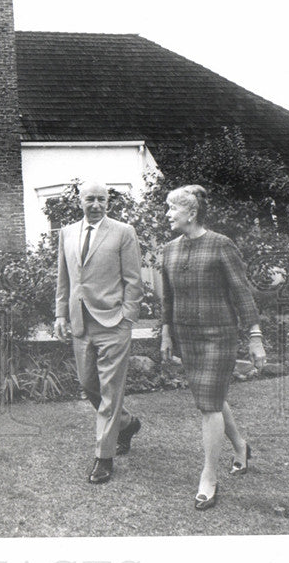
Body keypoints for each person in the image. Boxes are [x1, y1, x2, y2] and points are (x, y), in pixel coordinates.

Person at [158, 184, 266, 511]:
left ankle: (209, 476)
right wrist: (166, 334)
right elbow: (168, 298)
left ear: (190, 213)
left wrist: (255, 335)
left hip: (219, 334)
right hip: (187, 336)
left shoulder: (221, 245)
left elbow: (242, 294)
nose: (167, 214)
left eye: (172, 209)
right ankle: (241, 447)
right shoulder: (169, 249)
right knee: (212, 399)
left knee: (208, 405)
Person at [54, 180, 144, 484]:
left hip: (113, 322)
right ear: (80, 201)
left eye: (102, 200)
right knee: (87, 383)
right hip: (81, 323)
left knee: (110, 391)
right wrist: (60, 314)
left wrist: (127, 317)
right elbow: (64, 279)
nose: (96, 204)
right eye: (90, 199)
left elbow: (133, 280)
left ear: (108, 202)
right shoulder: (66, 233)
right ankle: (127, 424)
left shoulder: (122, 232)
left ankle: (103, 458)